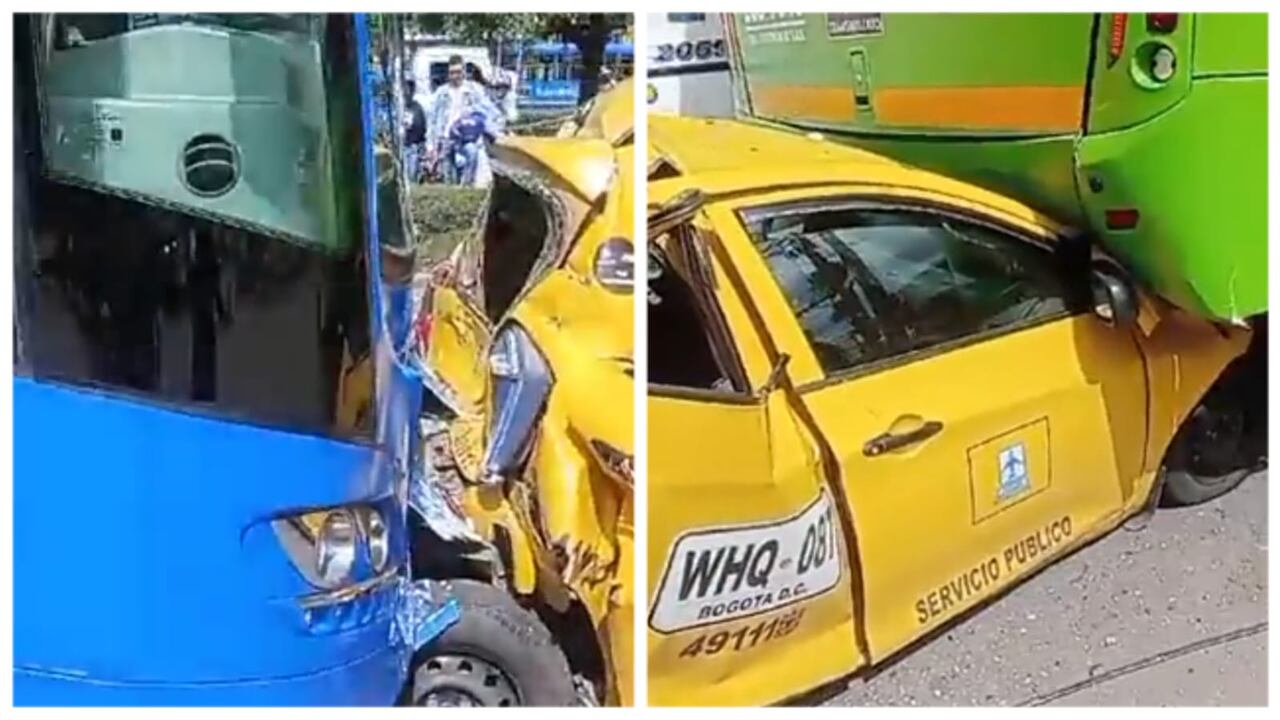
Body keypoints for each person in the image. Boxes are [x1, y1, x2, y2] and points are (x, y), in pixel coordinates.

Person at [423, 55, 502, 185]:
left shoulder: (475, 90)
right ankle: (453, 190)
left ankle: (466, 186)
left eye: (458, 72)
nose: (455, 76)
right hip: (446, 137)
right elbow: (432, 120)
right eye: (452, 72)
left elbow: (490, 111)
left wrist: (493, 131)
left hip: (468, 137)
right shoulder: (441, 93)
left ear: (464, 72)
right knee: (448, 174)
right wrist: (431, 145)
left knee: (472, 154)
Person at [401, 78, 427, 184]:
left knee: (411, 176)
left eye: (409, 88)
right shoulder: (395, 106)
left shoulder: (418, 108)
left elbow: (422, 129)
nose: (406, 92)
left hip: (412, 147)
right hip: (399, 147)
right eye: (404, 88)